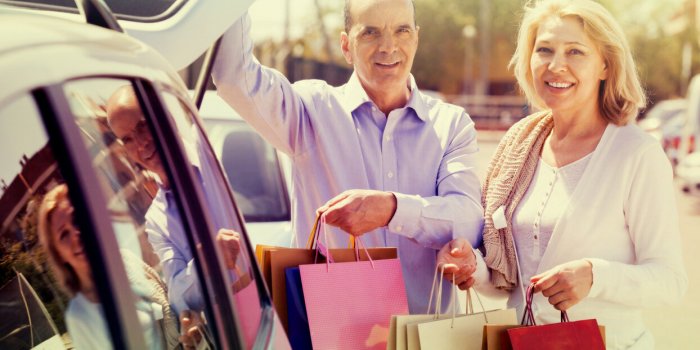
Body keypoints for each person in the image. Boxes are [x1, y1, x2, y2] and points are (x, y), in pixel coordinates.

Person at [437, 0, 688, 348]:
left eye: (575, 52)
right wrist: (471, 267)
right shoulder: (518, 148)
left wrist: (594, 276)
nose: (556, 65)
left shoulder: (637, 154)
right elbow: (508, 279)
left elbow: (670, 281)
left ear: (605, 65)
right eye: (545, 50)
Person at [212, 0, 483, 313]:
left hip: (426, 337)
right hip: (334, 335)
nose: (388, 46)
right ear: (346, 45)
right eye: (370, 32)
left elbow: (468, 219)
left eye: (402, 31)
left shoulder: (452, 124)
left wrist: (392, 209)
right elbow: (233, 77)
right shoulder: (310, 110)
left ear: (416, 38)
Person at [106, 86, 246, 316]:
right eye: (128, 139)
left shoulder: (215, 156)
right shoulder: (156, 220)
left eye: (143, 125)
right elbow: (180, 301)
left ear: (166, 117)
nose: (141, 144)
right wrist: (207, 259)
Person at [37, 184, 180, 350]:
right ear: (58, 255)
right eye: (64, 234)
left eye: (77, 220)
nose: (76, 235)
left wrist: (187, 327)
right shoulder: (79, 316)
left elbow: (169, 304)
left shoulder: (125, 259)